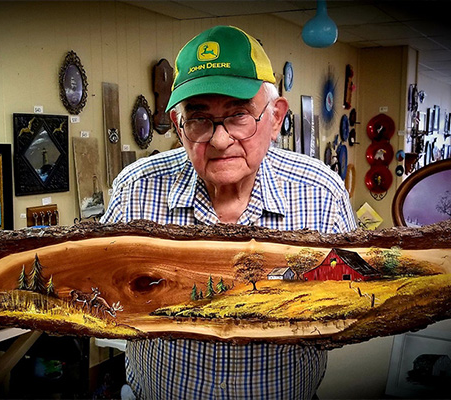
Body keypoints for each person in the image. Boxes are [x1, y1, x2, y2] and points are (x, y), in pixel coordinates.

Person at [101, 25, 356, 400]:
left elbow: (349, 312)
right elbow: (103, 298)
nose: (220, 140)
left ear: (275, 118)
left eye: (239, 115)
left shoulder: (322, 193)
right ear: (178, 124)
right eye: (200, 118)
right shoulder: (136, 188)